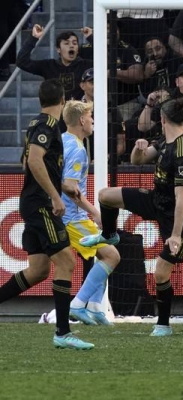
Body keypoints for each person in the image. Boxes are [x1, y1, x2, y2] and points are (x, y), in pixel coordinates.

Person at [79, 97, 183, 336]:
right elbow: (137, 160)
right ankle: (110, 235)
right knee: (105, 196)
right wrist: (138, 147)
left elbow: (182, 198)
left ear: (162, 119)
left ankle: (163, 325)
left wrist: (175, 235)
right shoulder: (165, 141)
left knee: (161, 273)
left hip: (177, 214)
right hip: (156, 200)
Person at [0, 79, 93, 349]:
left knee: (39, 270)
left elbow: (28, 163)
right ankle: (63, 333)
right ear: (62, 101)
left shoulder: (35, 124)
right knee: (67, 263)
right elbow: (32, 161)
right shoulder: (48, 126)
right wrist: (54, 196)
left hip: (33, 201)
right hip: (40, 204)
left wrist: (60, 186)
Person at [58, 101, 122, 325]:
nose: (93, 120)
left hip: (66, 215)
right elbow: (69, 186)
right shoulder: (77, 149)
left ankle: (95, 307)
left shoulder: (62, 141)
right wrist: (96, 212)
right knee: (112, 255)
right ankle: (78, 304)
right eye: (90, 116)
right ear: (82, 120)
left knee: (104, 255)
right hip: (71, 217)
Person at [16, 25, 93, 100]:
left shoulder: (86, 65)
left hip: (81, 111)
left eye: (74, 43)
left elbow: (104, 61)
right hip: (55, 111)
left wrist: (91, 38)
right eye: (66, 43)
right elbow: (22, 62)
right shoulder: (49, 66)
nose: (71, 46)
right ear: (58, 49)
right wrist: (33, 38)